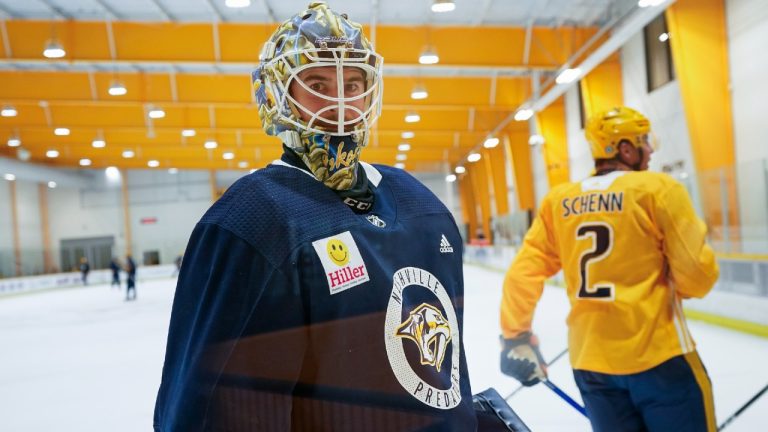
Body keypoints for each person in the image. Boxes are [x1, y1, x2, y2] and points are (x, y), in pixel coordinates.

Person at [153, 3, 490, 431]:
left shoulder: (422, 205)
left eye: (354, 83)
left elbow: (441, 372)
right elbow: (212, 409)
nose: (340, 101)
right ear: (278, 95)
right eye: (316, 82)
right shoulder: (252, 221)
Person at [499, 106, 719, 431]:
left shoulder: (558, 201)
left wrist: (514, 338)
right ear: (625, 148)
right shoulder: (657, 189)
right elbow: (696, 278)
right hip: (660, 359)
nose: (651, 149)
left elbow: (523, 272)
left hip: (591, 365)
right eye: (644, 140)